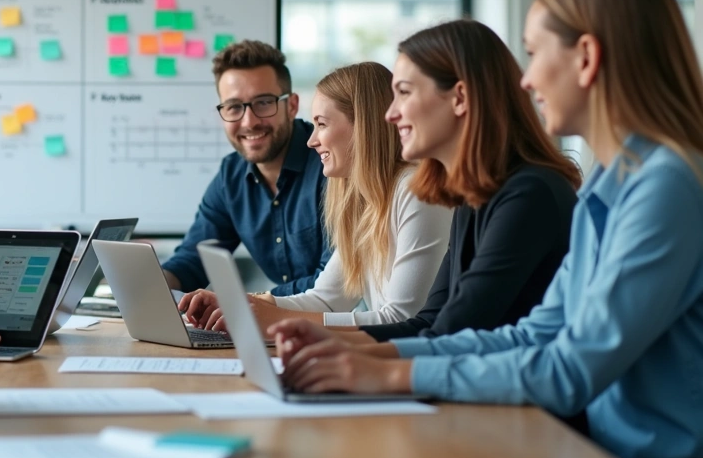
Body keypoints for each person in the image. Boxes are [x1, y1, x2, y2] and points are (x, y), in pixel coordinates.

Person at [272, 0, 703, 458]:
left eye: (535, 54)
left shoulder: (665, 187)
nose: (526, 79)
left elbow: (570, 370)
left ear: (586, 57)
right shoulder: (608, 186)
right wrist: (364, 357)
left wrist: (387, 372)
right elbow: (534, 334)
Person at [273, 20, 580, 350]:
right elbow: (431, 324)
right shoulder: (470, 198)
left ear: (459, 98)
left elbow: (453, 334)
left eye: (404, 93)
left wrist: (347, 353)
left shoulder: (528, 195)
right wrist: (331, 342)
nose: (390, 115)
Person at [181, 62, 452, 332]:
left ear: (363, 127)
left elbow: (402, 319)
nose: (312, 140)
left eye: (321, 124)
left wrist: (274, 318)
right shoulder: (360, 201)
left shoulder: (417, 191)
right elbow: (327, 300)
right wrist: (238, 304)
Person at [162, 40, 331, 296]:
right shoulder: (231, 176)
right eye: (234, 107)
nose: (249, 122)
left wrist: (250, 304)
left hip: (344, 326)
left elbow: (332, 282)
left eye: (263, 103)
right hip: (281, 327)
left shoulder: (329, 164)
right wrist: (150, 285)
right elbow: (193, 259)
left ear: (292, 105)